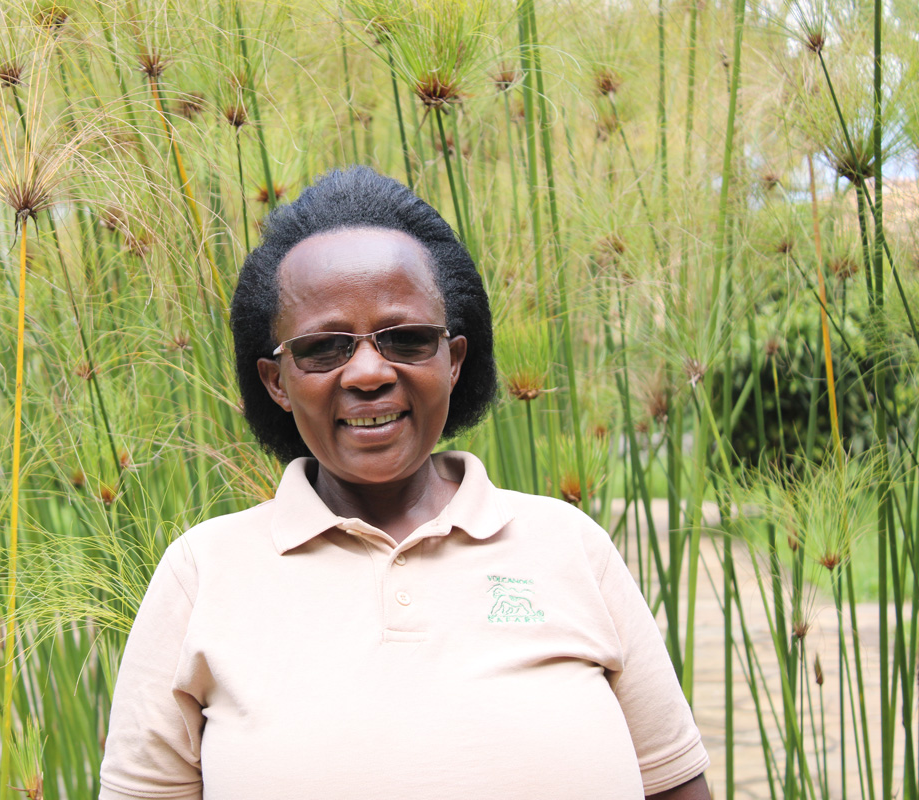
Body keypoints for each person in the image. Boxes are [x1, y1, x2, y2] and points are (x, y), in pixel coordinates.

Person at [99, 167, 711, 799]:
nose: (367, 372)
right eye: (322, 348)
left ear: (453, 360)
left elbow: (676, 786)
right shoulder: (201, 574)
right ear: (276, 382)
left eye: (408, 339)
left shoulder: (571, 547)